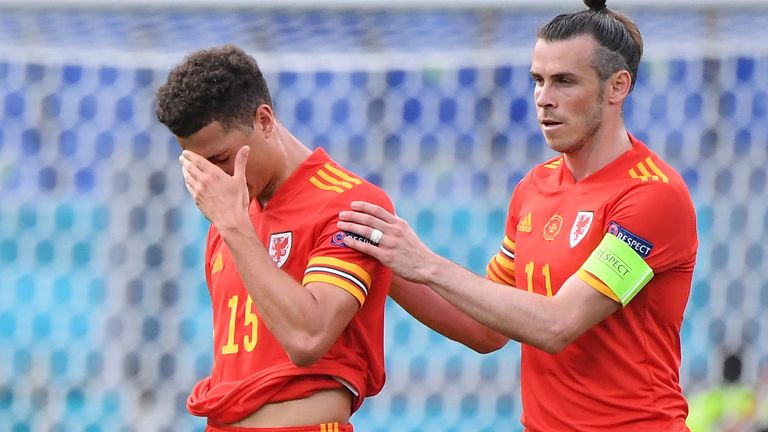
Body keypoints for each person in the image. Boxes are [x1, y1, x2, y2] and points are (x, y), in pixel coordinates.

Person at [337, 0, 698, 430]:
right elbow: (485, 330)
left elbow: (558, 324)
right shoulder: (534, 188)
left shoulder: (652, 195)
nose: (544, 99)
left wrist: (426, 264)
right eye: (538, 80)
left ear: (616, 87)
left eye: (564, 81)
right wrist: (384, 261)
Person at [155, 45, 394, 432]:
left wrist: (234, 226)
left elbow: (307, 338)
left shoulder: (350, 204)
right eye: (199, 166)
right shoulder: (229, 217)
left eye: (220, 159)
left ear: (264, 120)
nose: (216, 178)